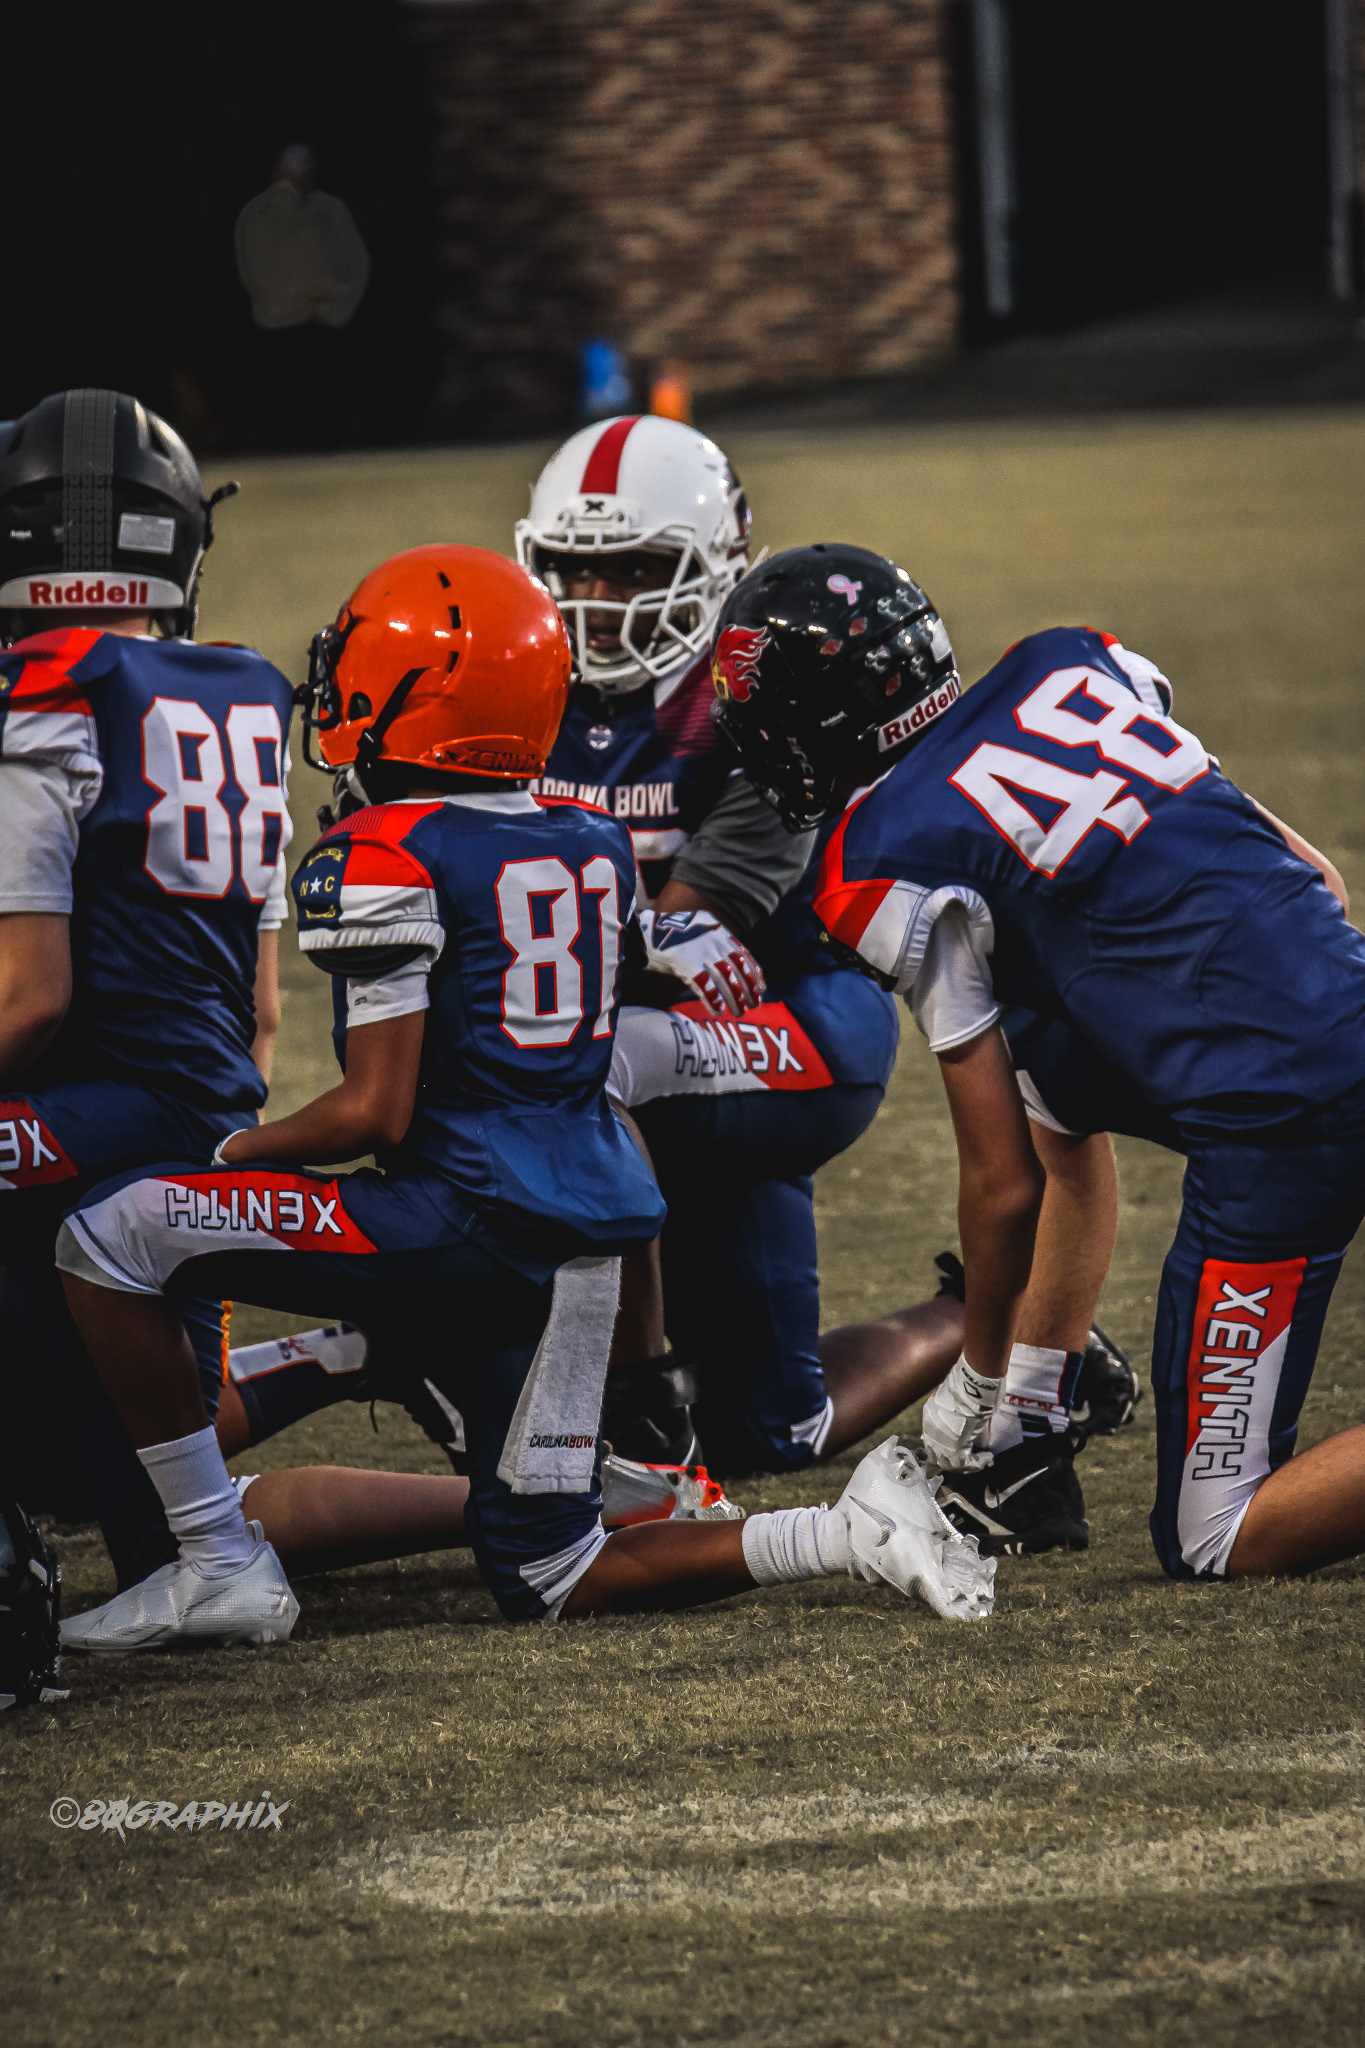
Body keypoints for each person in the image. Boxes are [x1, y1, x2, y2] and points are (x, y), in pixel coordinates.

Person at [52, 542, 997, 1648]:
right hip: (584, 1247)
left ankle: (217, 1557)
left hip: (462, 1222)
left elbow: (374, 1112)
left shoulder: (379, 853)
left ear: (412, 695)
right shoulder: (590, 838)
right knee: (552, 1568)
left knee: (110, 1232)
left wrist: (231, 1153)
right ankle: (842, 1533)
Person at [711, 542, 1365, 1583]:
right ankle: (1029, 1423)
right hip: (1340, 1012)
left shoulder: (881, 849)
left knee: (1217, 1537)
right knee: (1045, 1052)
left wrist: (972, 1373)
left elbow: (1001, 1181)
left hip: (1284, 1123)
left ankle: (1006, 1406)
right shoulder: (1068, 660)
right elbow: (1319, 879)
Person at [0, 387, 296, 1613]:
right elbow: (265, 1014)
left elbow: (30, 1000)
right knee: (159, 1531)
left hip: (114, 1113)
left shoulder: (44, 693)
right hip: (203, 1119)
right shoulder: (243, 690)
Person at [234, 146, 370, 451]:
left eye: (302, 173)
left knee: (322, 391)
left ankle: (326, 444)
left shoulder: (330, 212)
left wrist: (336, 307)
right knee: (281, 393)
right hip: (279, 324)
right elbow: (254, 268)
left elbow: (352, 265)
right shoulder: (260, 214)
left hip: (321, 322)